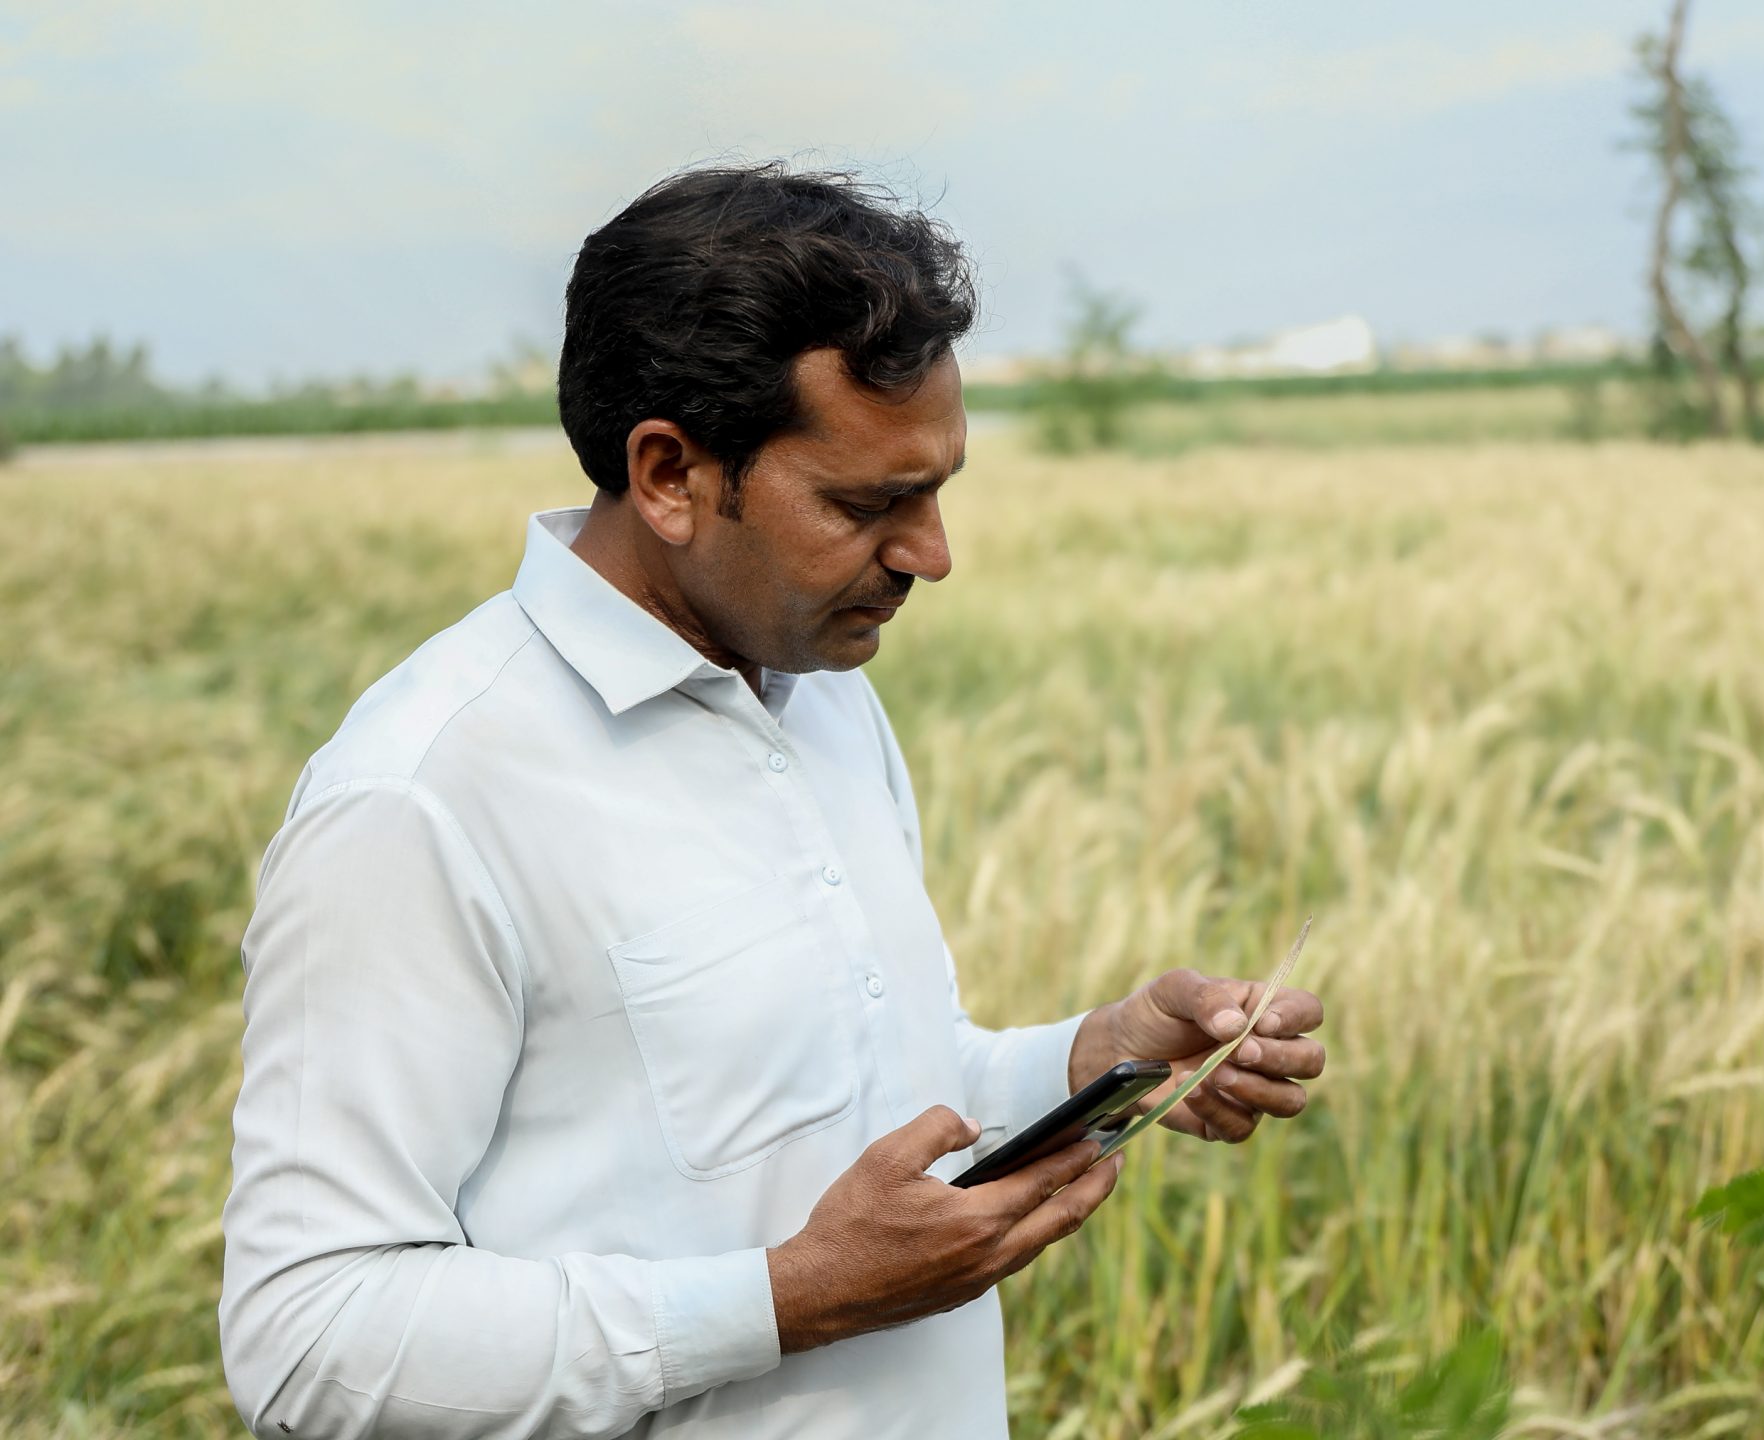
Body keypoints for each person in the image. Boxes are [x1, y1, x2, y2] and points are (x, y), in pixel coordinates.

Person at [217, 165, 1327, 1440]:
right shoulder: (422, 797)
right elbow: (307, 1343)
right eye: (867, 504)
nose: (931, 554)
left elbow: (859, 1094)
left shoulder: (821, 691)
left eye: (940, 488)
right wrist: (791, 1300)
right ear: (671, 474)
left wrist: (1087, 1061)